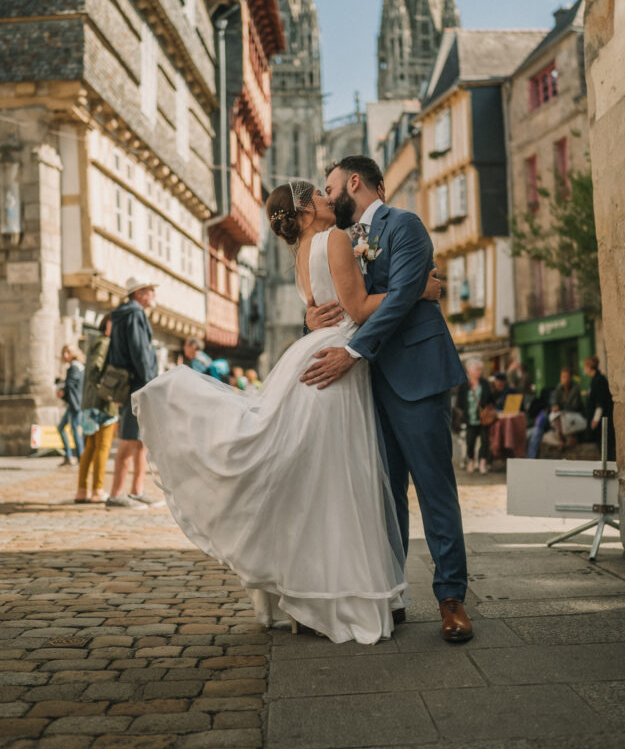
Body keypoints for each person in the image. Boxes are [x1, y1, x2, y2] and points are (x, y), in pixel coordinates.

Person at [132, 179, 441, 645]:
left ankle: (310, 599)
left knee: (314, 484)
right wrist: (417, 288)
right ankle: (339, 598)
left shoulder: (301, 253)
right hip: (338, 360)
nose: (327, 197)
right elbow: (358, 308)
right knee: (340, 484)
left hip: (311, 354)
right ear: (305, 208)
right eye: (318, 194)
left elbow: (323, 307)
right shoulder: (335, 239)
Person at [302, 156, 472, 644]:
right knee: (382, 496)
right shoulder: (340, 239)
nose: (325, 194)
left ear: (354, 182)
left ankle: (452, 600)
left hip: (416, 374)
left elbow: (398, 300)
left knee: (434, 490)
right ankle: (391, 596)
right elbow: (338, 302)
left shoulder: (405, 225)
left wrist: (353, 351)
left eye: (329, 186)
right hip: (369, 387)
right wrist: (310, 320)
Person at [106, 278, 160, 509]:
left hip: (132, 382)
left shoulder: (123, 314)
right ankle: (116, 494)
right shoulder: (134, 314)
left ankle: (137, 491)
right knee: (129, 440)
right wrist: (150, 383)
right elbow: (140, 352)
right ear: (138, 293)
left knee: (140, 440)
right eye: (150, 290)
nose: (154, 294)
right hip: (138, 384)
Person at [75, 315, 118, 503]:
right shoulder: (105, 342)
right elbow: (95, 370)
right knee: (103, 447)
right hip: (102, 403)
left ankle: (82, 490)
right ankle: (97, 490)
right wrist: (108, 391)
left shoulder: (95, 341)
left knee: (90, 447)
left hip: (90, 402)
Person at [454, 359, 495, 474]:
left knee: (485, 441)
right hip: (469, 418)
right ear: (469, 371)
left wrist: (487, 408)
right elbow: (459, 403)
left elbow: (491, 399)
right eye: (477, 369)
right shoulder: (464, 385)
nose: (479, 371)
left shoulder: (484, 383)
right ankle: (471, 461)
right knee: (470, 441)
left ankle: (482, 463)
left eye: (480, 369)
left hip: (483, 418)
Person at [56, 345, 85, 467]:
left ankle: (80, 458)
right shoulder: (78, 367)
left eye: (68, 352)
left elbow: (71, 386)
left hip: (75, 404)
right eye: (64, 352)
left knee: (75, 431)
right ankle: (70, 456)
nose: (65, 355)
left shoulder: (74, 367)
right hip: (75, 404)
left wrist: (62, 392)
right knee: (64, 428)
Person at [583, 355, 616, 459]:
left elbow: (600, 402)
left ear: (589, 367)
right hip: (600, 420)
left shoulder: (599, 380)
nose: (584, 370)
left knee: (605, 446)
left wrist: (595, 419)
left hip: (602, 421)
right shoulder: (596, 380)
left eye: (585, 367)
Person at [547, 367, 586, 449]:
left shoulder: (575, 388)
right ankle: (561, 438)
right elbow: (555, 401)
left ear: (570, 378)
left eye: (566, 377)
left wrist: (561, 407)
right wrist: (555, 406)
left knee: (565, 417)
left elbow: (575, 405)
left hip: (575, 412)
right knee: (554, 416)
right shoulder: (559, 388)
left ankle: (573, 438)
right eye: (562, 377)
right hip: (562, 412)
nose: (564, 379)